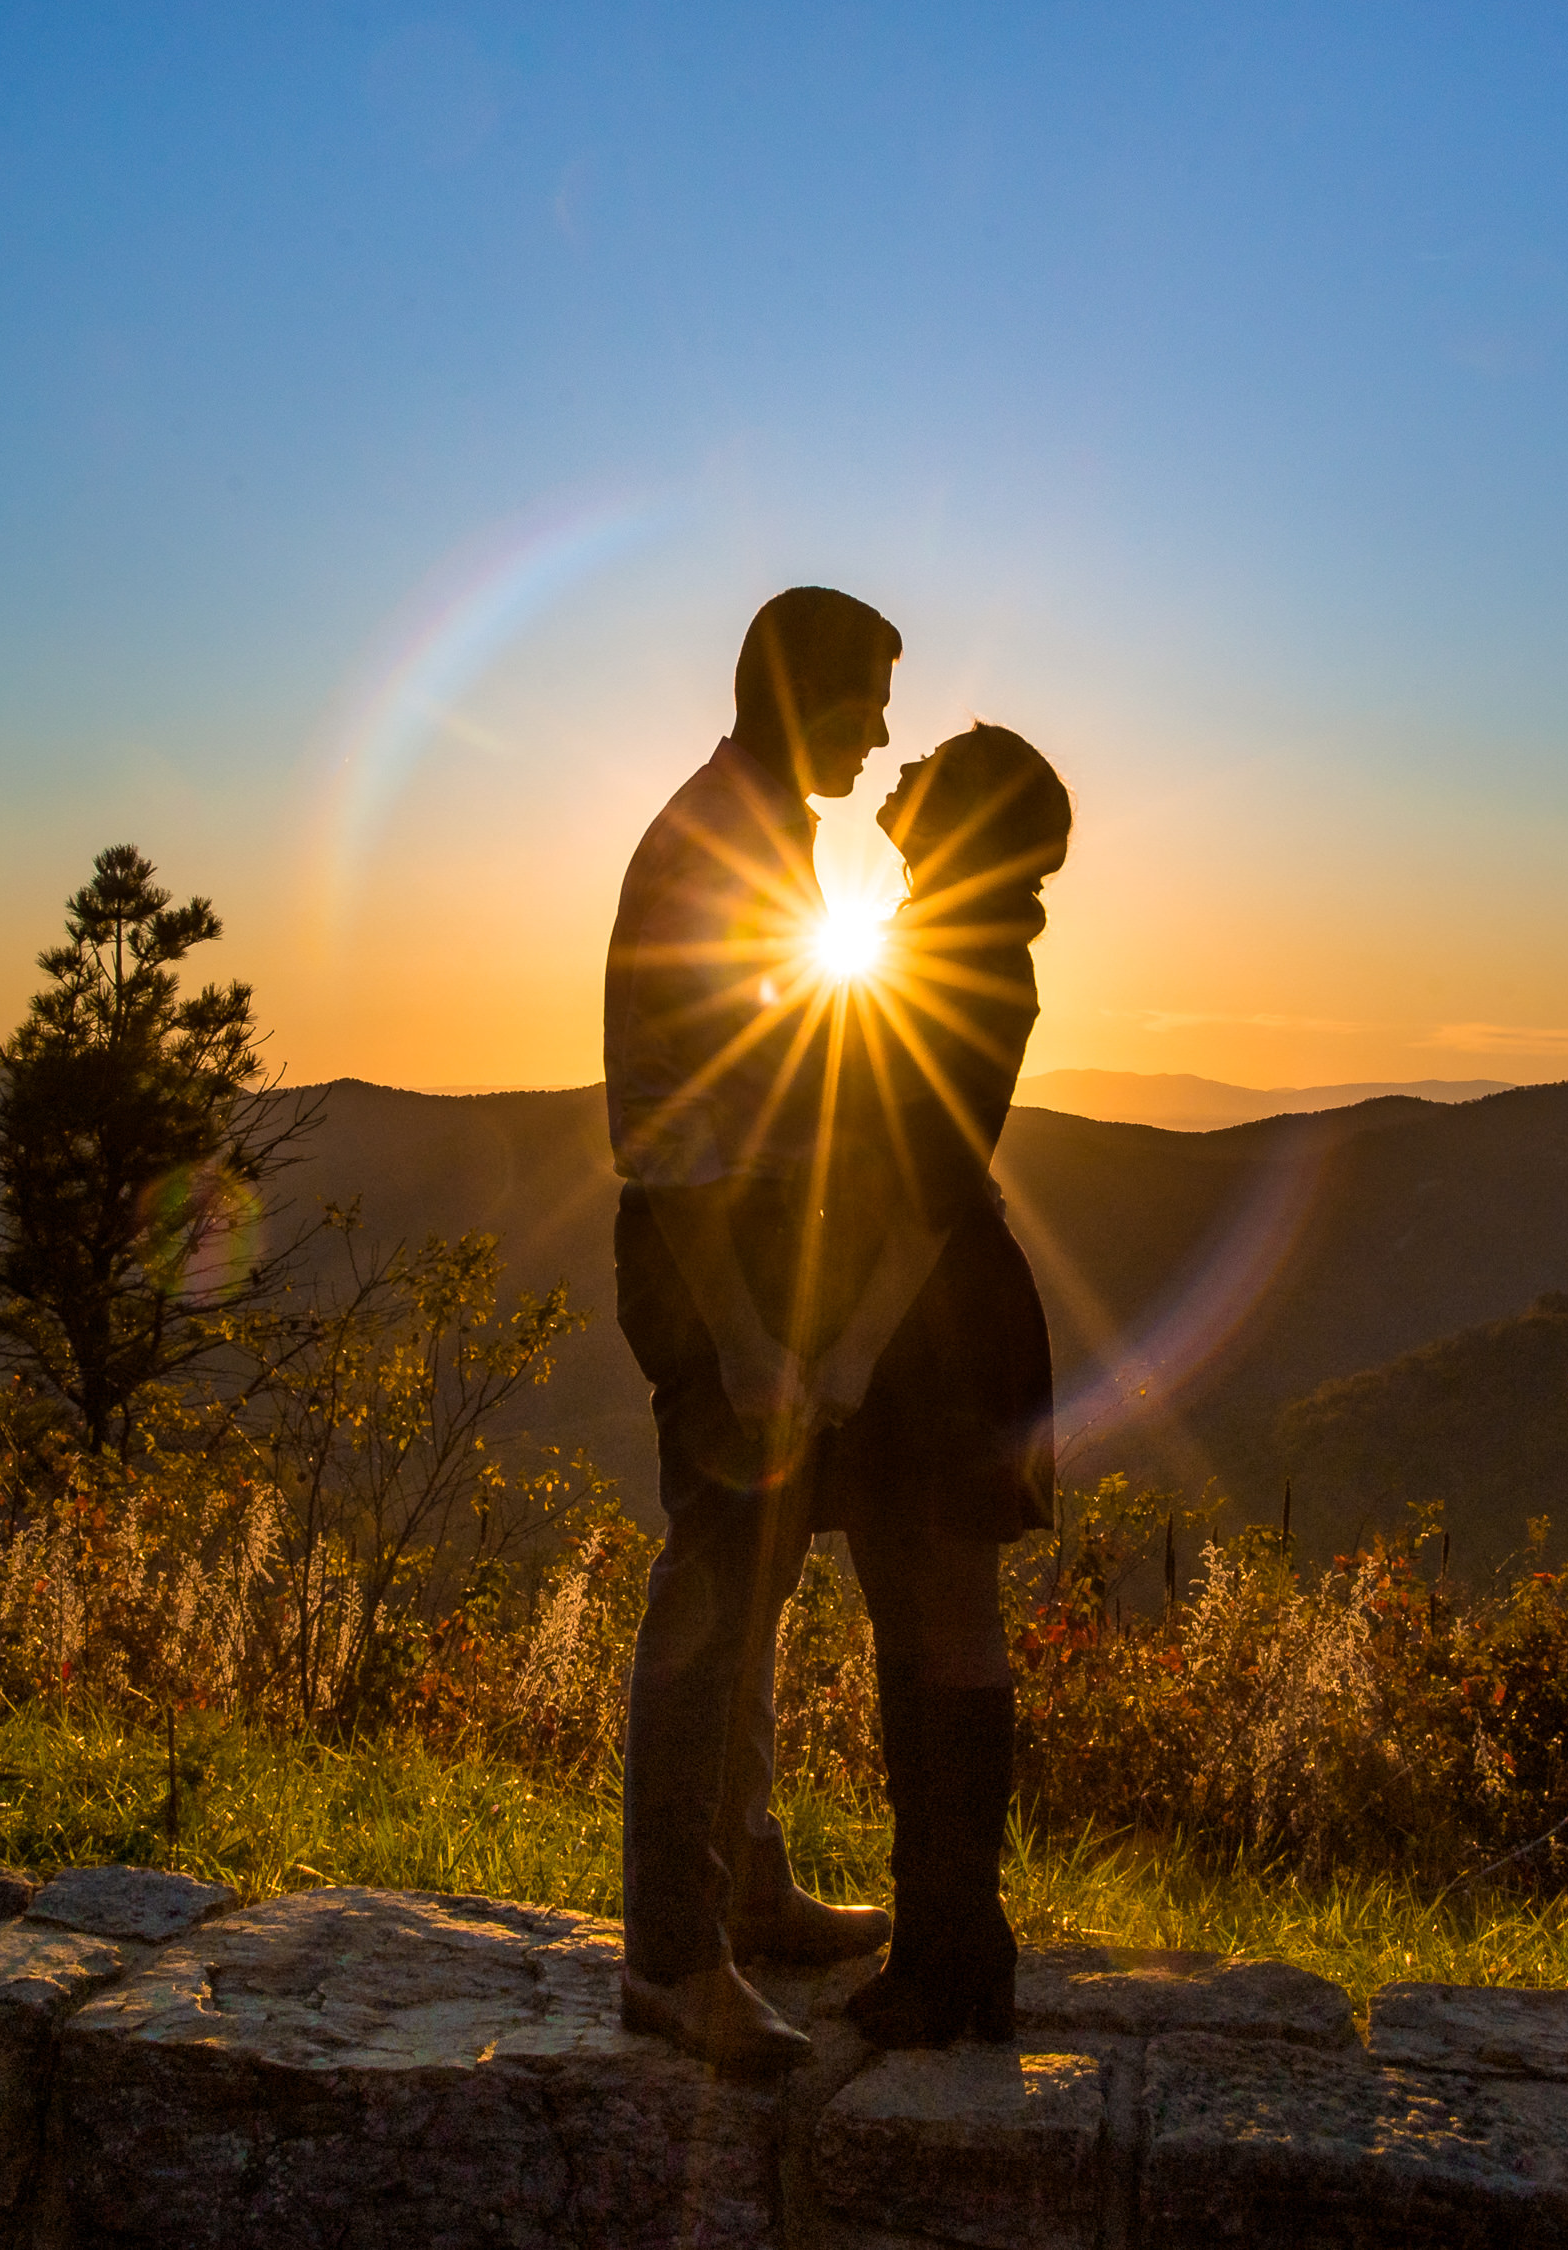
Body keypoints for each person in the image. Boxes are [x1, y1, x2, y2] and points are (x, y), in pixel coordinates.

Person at [605, 586, 907, 2076]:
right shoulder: (716, 844)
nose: (885, 731)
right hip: (708, 1267)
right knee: (714, 1595)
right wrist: (736, 1326)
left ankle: (751, 1881)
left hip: (758, 1262)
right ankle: (673, 1955)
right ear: (805, 694)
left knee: (759, 1583)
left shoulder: (767, 831)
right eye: (869, 698)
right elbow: (670, 1129)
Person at [809, 722, 1068, 2048]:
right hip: (920, 1309)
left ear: (961, 815)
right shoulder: (945, 937)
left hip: (933, 1320)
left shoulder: (966, 954)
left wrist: (844, 1353)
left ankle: (959, 1949)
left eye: (928, 766)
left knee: (945, 1618)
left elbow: (915, 1178)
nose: (899, 768)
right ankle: (945, 1941)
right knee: (912, 1622)